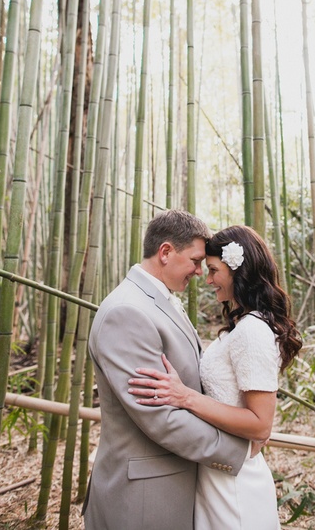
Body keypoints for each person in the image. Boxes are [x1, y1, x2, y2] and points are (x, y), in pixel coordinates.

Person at [82, 210, 251, 530]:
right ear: (166, 252)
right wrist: (235, 451)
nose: (200, 272)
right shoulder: (127, 311)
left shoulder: (160, 300)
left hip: (172, 482)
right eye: (196, 260)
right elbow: (159, 416)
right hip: (145, 495)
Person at [128, 225, 303, 530]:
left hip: (234, 484)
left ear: (239, 270)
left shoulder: (251, 330)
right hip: (217, 470)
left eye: (212, 270)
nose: (206, 279)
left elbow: (261, 424)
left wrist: (185, 397)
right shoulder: (243, 324)